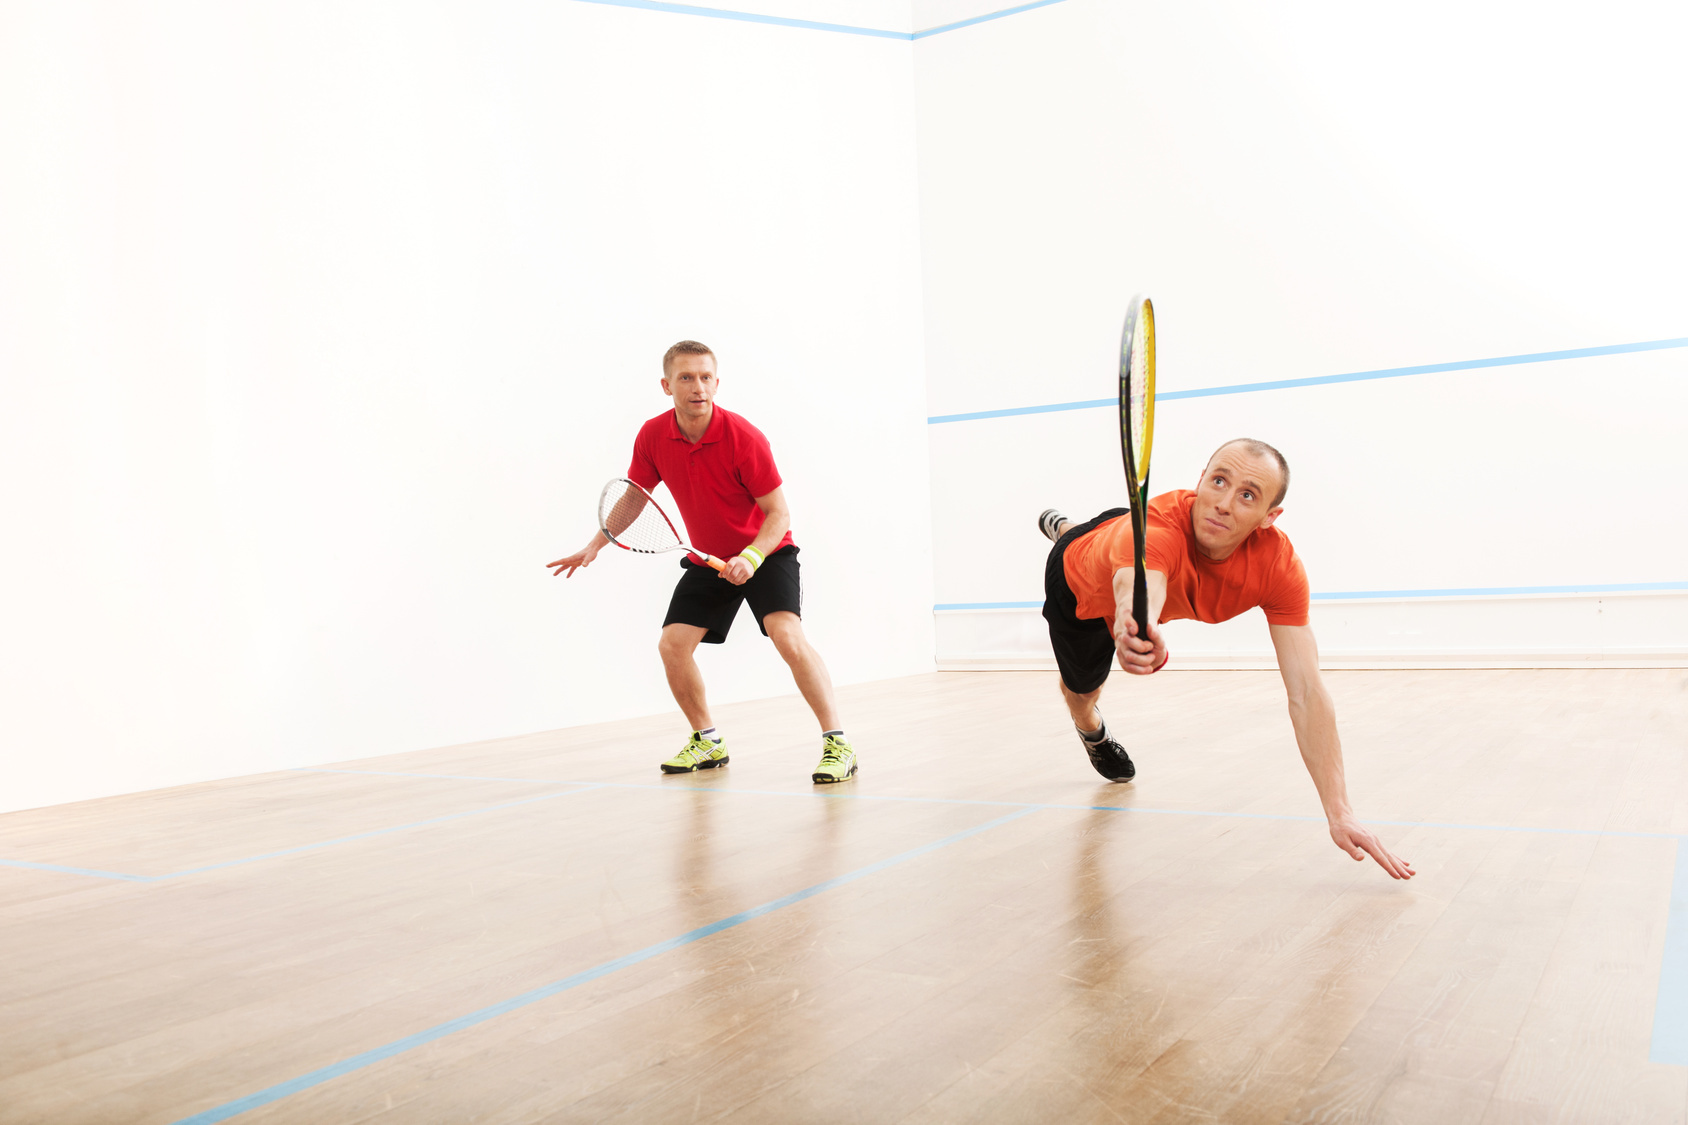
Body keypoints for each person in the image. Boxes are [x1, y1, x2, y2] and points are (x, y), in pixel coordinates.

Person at [1038, 438, 1414, 879]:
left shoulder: (1277, 566)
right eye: (1218, 481)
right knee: (1083, 692)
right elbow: (1139, 583)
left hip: (1119, 537)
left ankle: (1068, 526)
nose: (1222, 504)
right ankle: (1091, 730)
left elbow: (1308, 692)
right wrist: (1134, 620)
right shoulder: (1158, 529)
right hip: (1078, 584)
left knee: (1114, 533)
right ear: (1200, 481)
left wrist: (1340, 810)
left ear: (1268, 518)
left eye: (1248, 495)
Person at [547, 341, 857, 784]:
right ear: (666, 385)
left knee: (787, 637)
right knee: (672, 645)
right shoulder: (653, 435)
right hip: (708, 560)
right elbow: (637, 496)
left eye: (706, 377)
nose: (698, 387)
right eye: (686, 378)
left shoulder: (743, 438)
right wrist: (597, 543)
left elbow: (779, 514)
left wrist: (751, 557)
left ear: (717, 381)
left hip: (765, 552)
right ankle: (706, 740)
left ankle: (837, 743)